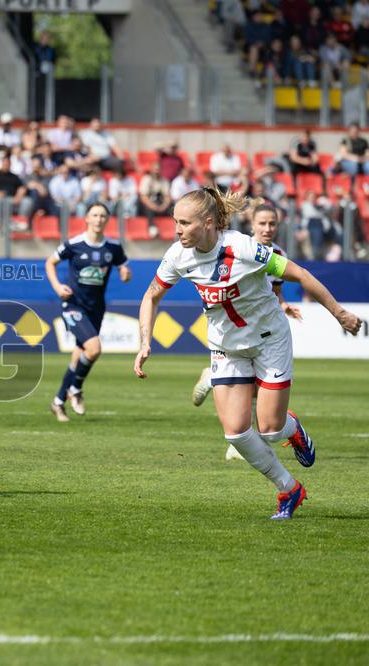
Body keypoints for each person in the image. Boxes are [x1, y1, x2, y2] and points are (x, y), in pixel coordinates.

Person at [134, 188, 362, 519]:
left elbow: (298, 274)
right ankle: (289, 489)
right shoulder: (177, 256)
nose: (177, 230)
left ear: (208, 222)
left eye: (184, 223)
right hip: (226, 347)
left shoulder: (241, 247)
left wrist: (339, 313)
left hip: (269, 340)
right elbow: (151, 296)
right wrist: (144, 342)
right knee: (237, 432)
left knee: (270, 428)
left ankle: (292, 428)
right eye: (175, 223)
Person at [191, 205, 305, 458]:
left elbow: (273, 292)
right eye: (262, 223)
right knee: (249, 387)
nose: (267, 229)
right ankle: (214, 382)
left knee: (256, 389)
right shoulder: (239, 248)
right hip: (234, 328)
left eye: (272, 224)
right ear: (251, 224)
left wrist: (283, 305)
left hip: (262, 328)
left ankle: (241, 440)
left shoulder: (277, 253)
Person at [45, 203, 131, 422]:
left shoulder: (113, 247)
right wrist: (57, 287)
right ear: (87, 218)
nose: (99, 219)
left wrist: (125, 273)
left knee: (78, 358)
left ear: (107, 219)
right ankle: (76, 388)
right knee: (94, 349)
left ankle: (58, 402)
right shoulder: (74, 244)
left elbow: (123, 266)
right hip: (73, 305)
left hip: (96, 308)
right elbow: (50, 262)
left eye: (103, 215)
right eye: (95, 215)